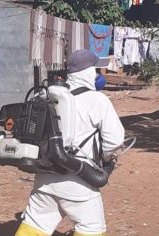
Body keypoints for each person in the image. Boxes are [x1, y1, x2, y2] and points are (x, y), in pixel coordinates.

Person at [15, 49, 125, 236]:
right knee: (91, 228)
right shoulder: (98, 100)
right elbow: (114, 141)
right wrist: (108, 159)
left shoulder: (45, 97)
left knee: (35, 225)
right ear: (88, 72)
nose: (98, 75)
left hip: (45, 178)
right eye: (96, 71)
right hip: (79, 182)